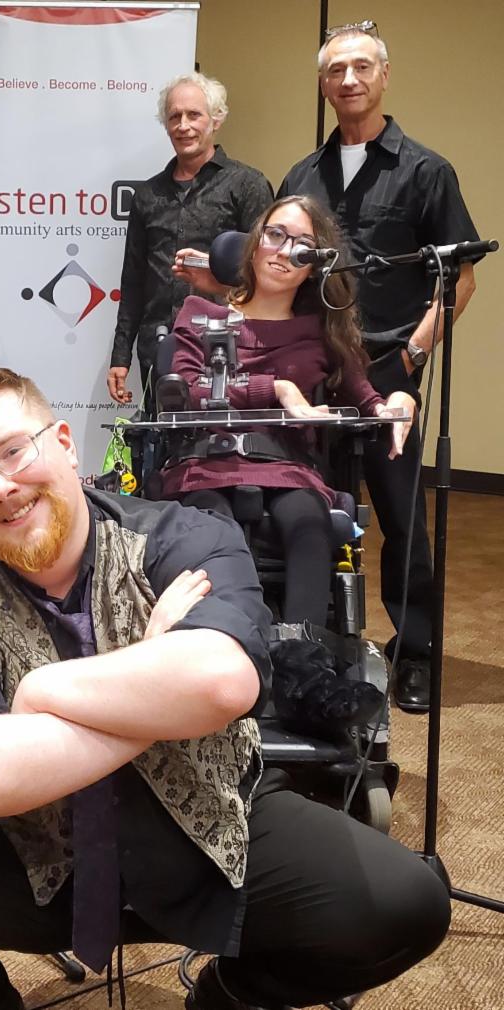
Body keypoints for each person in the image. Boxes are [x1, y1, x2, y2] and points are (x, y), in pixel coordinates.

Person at [0, 366, 450, 1010]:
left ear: (63, 442)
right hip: (41, 856)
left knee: (406, 902)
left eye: (11, 451)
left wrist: (41, 691)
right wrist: (152, 665)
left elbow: (220, 682)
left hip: (214, 823)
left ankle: (228, 997)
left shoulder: (183, 536)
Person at [274, 22, 480, 712]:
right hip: (314, 372)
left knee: (399, 514)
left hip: (390, 367)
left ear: (383, 75)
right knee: (319, 508)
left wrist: (416, 353)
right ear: (324, 84)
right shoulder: (302, 177)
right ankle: (326, 642)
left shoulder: (426, 171)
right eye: (337, 70)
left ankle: (413, 652)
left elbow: (459, 281)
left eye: (362, 67)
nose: (350, 80)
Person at [160, 195, 415, 627]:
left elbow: (367, 397)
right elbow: (188, 390)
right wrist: (277, 389)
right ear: (255, 242)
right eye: (275, 234)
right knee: (212, 531)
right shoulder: (200, 313)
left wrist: (397, 401)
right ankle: (227, 645)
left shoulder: (321, 330)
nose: (283, 250)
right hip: (204, 465)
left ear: (313, 264)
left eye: (301, 244)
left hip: (287, 468)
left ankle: (304, 662)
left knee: (308, 523)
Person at [108, 72, 272, 409]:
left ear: (216, 120)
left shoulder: (248, 185)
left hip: (227, 347)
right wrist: (120, 356)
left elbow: (266, 272)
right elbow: (134, 280)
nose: (183, 125)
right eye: (174, 116)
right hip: (158, 348)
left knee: (219, 452)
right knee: (160, 449)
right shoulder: (147, 195)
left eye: (193, 115)